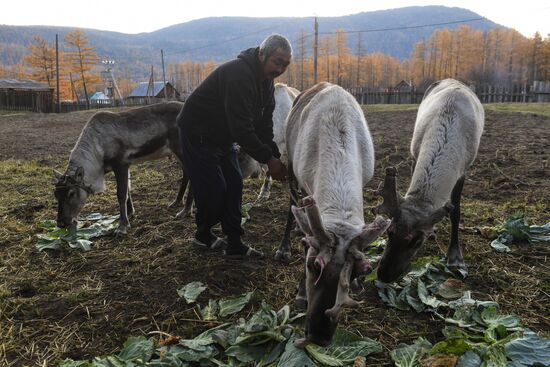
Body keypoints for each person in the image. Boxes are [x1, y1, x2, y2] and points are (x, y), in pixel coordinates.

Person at [177, 34, 292, 258]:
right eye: (277, 62)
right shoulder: (239, 75)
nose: (280, 69)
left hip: (222, 136)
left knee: (234, 185)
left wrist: (275, 155)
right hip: (197, 132)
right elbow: (242, 128)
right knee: (215, 189)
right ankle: (203, 234)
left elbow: (264, 123)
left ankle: (234, 243)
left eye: (285, 65)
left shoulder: (266, 83)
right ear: (262, 54)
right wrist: (269, 161)